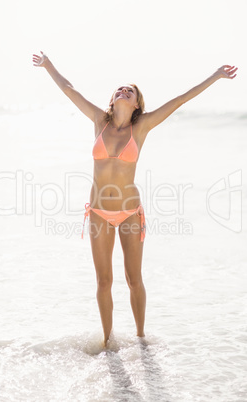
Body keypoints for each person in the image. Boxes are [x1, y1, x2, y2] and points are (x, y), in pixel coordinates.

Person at [32, 51, 237, 346]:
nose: (123, 90)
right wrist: (49, 65)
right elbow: (69, 90)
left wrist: (215, 76)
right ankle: (107, 343)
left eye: (130, 90)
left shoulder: (140, 127)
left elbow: (180, 99)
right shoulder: (98, 120)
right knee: (104, 281)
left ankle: (141, 340)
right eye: (119, 88)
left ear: (136, 103)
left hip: (129, 212)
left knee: (133, 279)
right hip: (100, 213)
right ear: (113, 99)